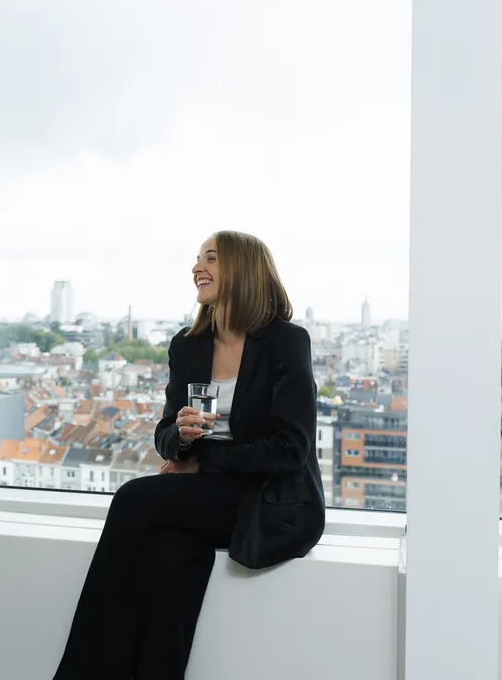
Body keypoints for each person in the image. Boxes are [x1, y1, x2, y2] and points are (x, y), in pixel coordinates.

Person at [53, 230, 326, 680]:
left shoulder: (285, 341)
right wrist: (180, 439)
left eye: (211, 258)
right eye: (197, 259)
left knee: (133, 500)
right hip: (211, 491)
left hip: (273, 497)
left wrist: (205, 461)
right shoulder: (190, 343)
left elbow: (291, 450)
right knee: (167, 557)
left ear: (245, 269)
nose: (198, 267)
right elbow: (164, 435)